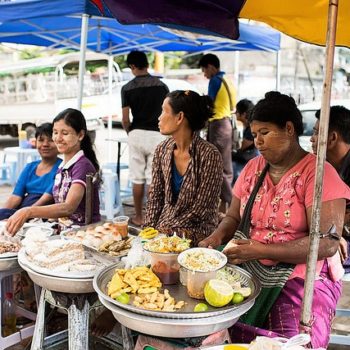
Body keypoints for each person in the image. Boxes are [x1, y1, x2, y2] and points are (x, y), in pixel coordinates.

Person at [199, 91, 350, 348]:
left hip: (304, 275)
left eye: (265, 133)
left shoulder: (319, 174)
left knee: (292, 341)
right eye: (254, 134)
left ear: (289, 129)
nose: (257, 141)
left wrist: (263, 250)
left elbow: (327, 244)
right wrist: (217, 237)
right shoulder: (252, 169)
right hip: (249, 267)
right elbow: (233, 217)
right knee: (207, 327)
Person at [144, 90, 223, 246]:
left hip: (198, 230)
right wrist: (147, 230)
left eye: (164, 111)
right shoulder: (162, 150)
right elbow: (155, 197)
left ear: (179, 117)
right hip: (165, 226)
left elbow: (201, 210)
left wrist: (166, 229)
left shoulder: (209, 155)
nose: (159, 117)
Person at [6, 108, 100, 235]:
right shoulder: (62, 167)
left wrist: (28, 211)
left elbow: (68, 208)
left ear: (80, 135)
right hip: (63, 232)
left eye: (65, 133)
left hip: (83, 235)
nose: (58, 138)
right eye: (55, 132)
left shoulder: (82, 166)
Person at [121, 50, 169, 226]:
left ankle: (139, 216)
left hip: (137, 134)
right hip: (158, 134)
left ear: (132, 66)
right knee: (153, 178)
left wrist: (131, 132)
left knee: (137, 177)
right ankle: (152, 216)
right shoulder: (162, 86)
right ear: (147, 64)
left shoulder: (126, 88)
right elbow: (168, 113)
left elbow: (125, 119)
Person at [310, 105, 350, 272]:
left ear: (332, 138)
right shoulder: (323, 167)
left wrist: (334, 232)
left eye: (317, 132)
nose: (312, 139)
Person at [199, 53, 236, 213]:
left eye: (204, 70)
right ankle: (224, 208)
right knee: (226, 168)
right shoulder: (228, 80)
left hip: (218, 126)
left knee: (216, 167)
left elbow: (209, 104)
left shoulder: (215, 81)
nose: (204, 74)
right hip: (227, 124)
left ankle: (233, 202)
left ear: (211, 67)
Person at [0, 123, 61, 220]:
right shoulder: (30, 167)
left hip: (42, 214)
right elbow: (16, 197)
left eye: (51, 140)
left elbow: (46, 199)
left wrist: (25, 215)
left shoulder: (61, 168)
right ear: (35, 143)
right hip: (22, 210)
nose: (45, 144)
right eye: (41, 140)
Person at [232, 99, 258, 181]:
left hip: (252, 160)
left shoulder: (251, 128)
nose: (235, 114)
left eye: (237, 112)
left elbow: (242, 147)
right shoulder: (250, 126)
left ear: (243, 114)